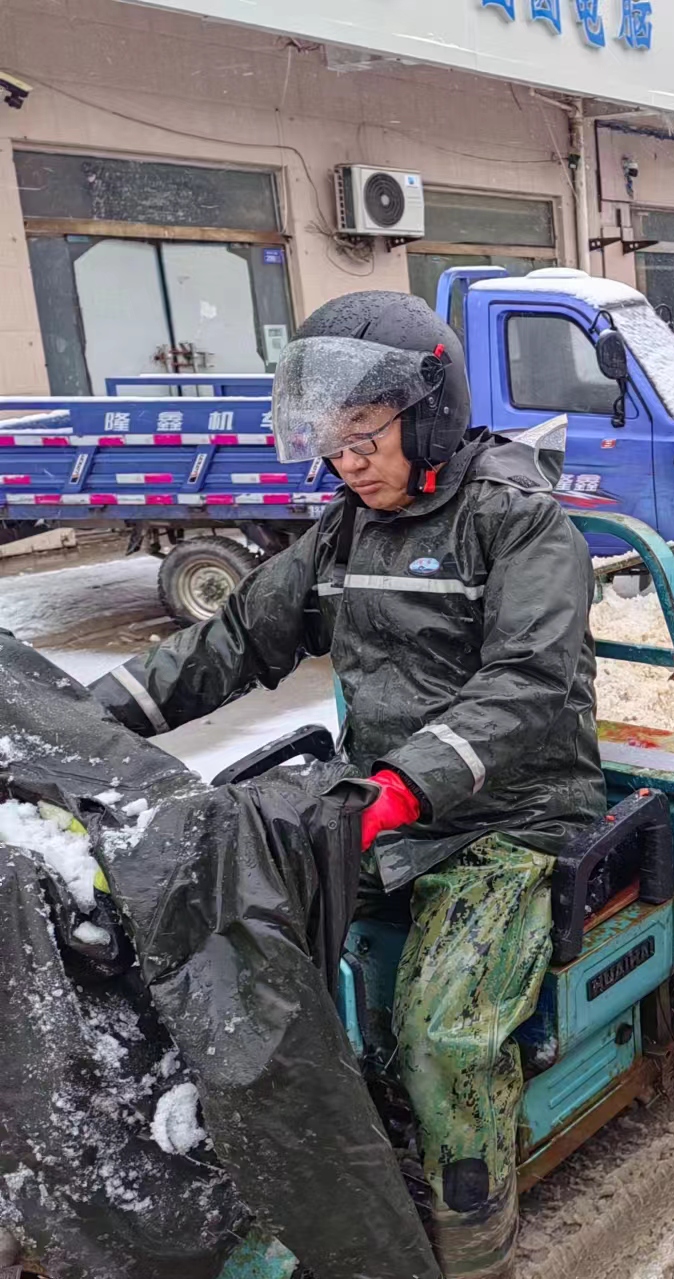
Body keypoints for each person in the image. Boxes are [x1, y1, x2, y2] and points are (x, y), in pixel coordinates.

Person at [92, 291, 605, 1279]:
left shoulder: (517, 523)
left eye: (364, 434)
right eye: (332, 441)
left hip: (511, 819)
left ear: (431, 412)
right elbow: (232, 641)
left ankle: (474, 1240)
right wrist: (83, 723)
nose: (347, 461)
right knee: (229, 941)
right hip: (378, 806)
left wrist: (407, 784)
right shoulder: (344, 532)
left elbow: (527, 683)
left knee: (443, 1035)